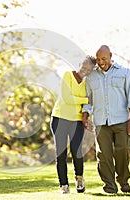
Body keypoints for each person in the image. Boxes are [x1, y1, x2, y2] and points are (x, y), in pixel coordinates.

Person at [82, 45, 130, 194]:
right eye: (99, 59)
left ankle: (123, 179)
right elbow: (88, 99)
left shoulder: (124, 72)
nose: (101, 62)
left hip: (121, 120)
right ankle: (110, 186)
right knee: (103, 156)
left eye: (104, 59)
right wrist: (85, 116)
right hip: (101, 121)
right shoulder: (91, 76)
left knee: (124, 150)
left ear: (111, 56)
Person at [50, 56, 95, 194]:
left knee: (77, 152)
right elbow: (67, 98)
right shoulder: (67, 75)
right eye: (83, 67)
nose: (85, 71)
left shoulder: (87, 83)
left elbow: (89, 104)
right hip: (60, 118)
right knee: (61, 154)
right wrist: (86, 99)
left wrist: (87, 117)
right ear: (79, 64)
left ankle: (79, 179)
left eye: (89, 70)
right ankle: (64, 185)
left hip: (76, 121)